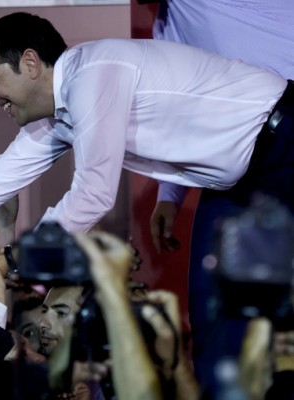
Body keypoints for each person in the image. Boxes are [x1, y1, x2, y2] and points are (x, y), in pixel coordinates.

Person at [0, 12, 293, 287]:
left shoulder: (92, 73)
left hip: (284, 140)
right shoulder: (57, 116)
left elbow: (95, 193)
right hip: (242, 182)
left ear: (31, 63)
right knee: (219, 322)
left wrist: (12, 259)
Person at [145, 0, 294, 391]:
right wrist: (169, 194)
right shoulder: (168, 21)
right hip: (236, 168)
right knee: (214, 308)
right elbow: (182, 113)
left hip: (286, 131)